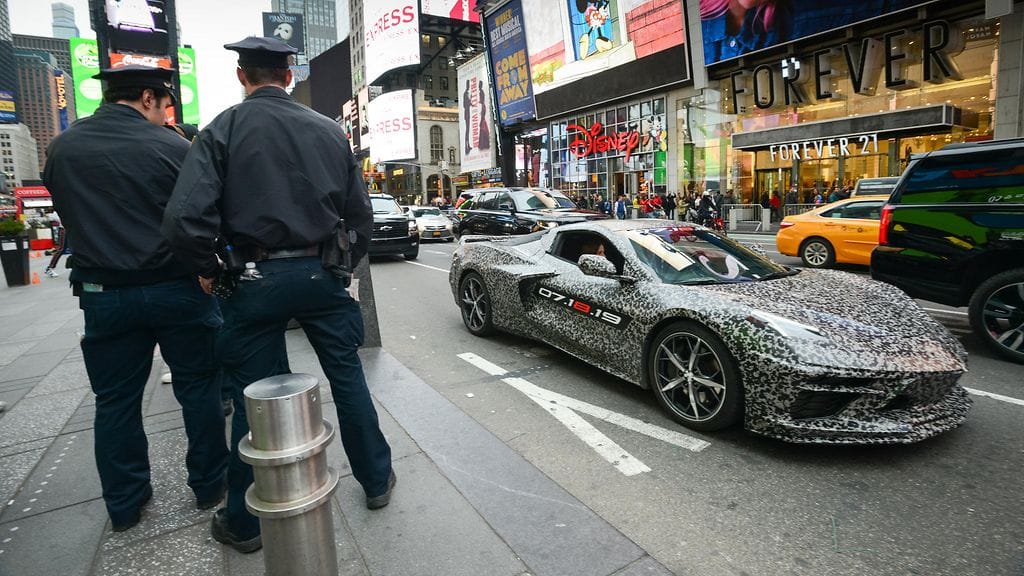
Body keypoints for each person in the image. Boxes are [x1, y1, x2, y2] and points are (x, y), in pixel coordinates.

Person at [162, 37, 394, 554]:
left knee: (255, 395)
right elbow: (360, 217)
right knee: (348, 377)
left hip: (253, 278)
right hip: (321, 276)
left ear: (241, 76)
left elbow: (183, 219)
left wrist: (210, 270)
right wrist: (340, 265)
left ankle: (245, 524)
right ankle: (376, 480)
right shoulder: (330, 131)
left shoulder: (222, 129)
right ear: (288, 77)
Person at [43, 66, 229, 533]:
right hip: (177, 288)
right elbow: (199, 217)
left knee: (115, 401)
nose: (166, 114)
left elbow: (67, 210)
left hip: (103, 292)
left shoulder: (63, 148)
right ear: (148, 97)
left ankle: (125, 504)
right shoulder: (172, 147)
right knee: (199, 388)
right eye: (165, 105)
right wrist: (207, 267)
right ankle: (209, 484)